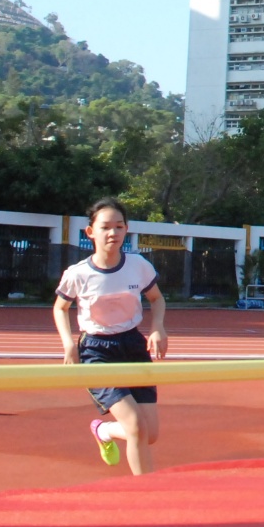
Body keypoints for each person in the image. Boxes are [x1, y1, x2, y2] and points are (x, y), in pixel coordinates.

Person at [53, 198, 170, 474]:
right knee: (136, 426)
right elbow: (60, 307)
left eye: (119, 226)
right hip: (97, 350)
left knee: (149, 434)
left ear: (126, 230)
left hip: (133, 345)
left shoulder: (138, 265)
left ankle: (104, 431)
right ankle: (147, 492)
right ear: (90, 232)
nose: (113, 233)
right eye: (105, 227)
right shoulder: (78, 274)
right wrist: (69, 345)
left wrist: (158, 327)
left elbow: (157, 299)